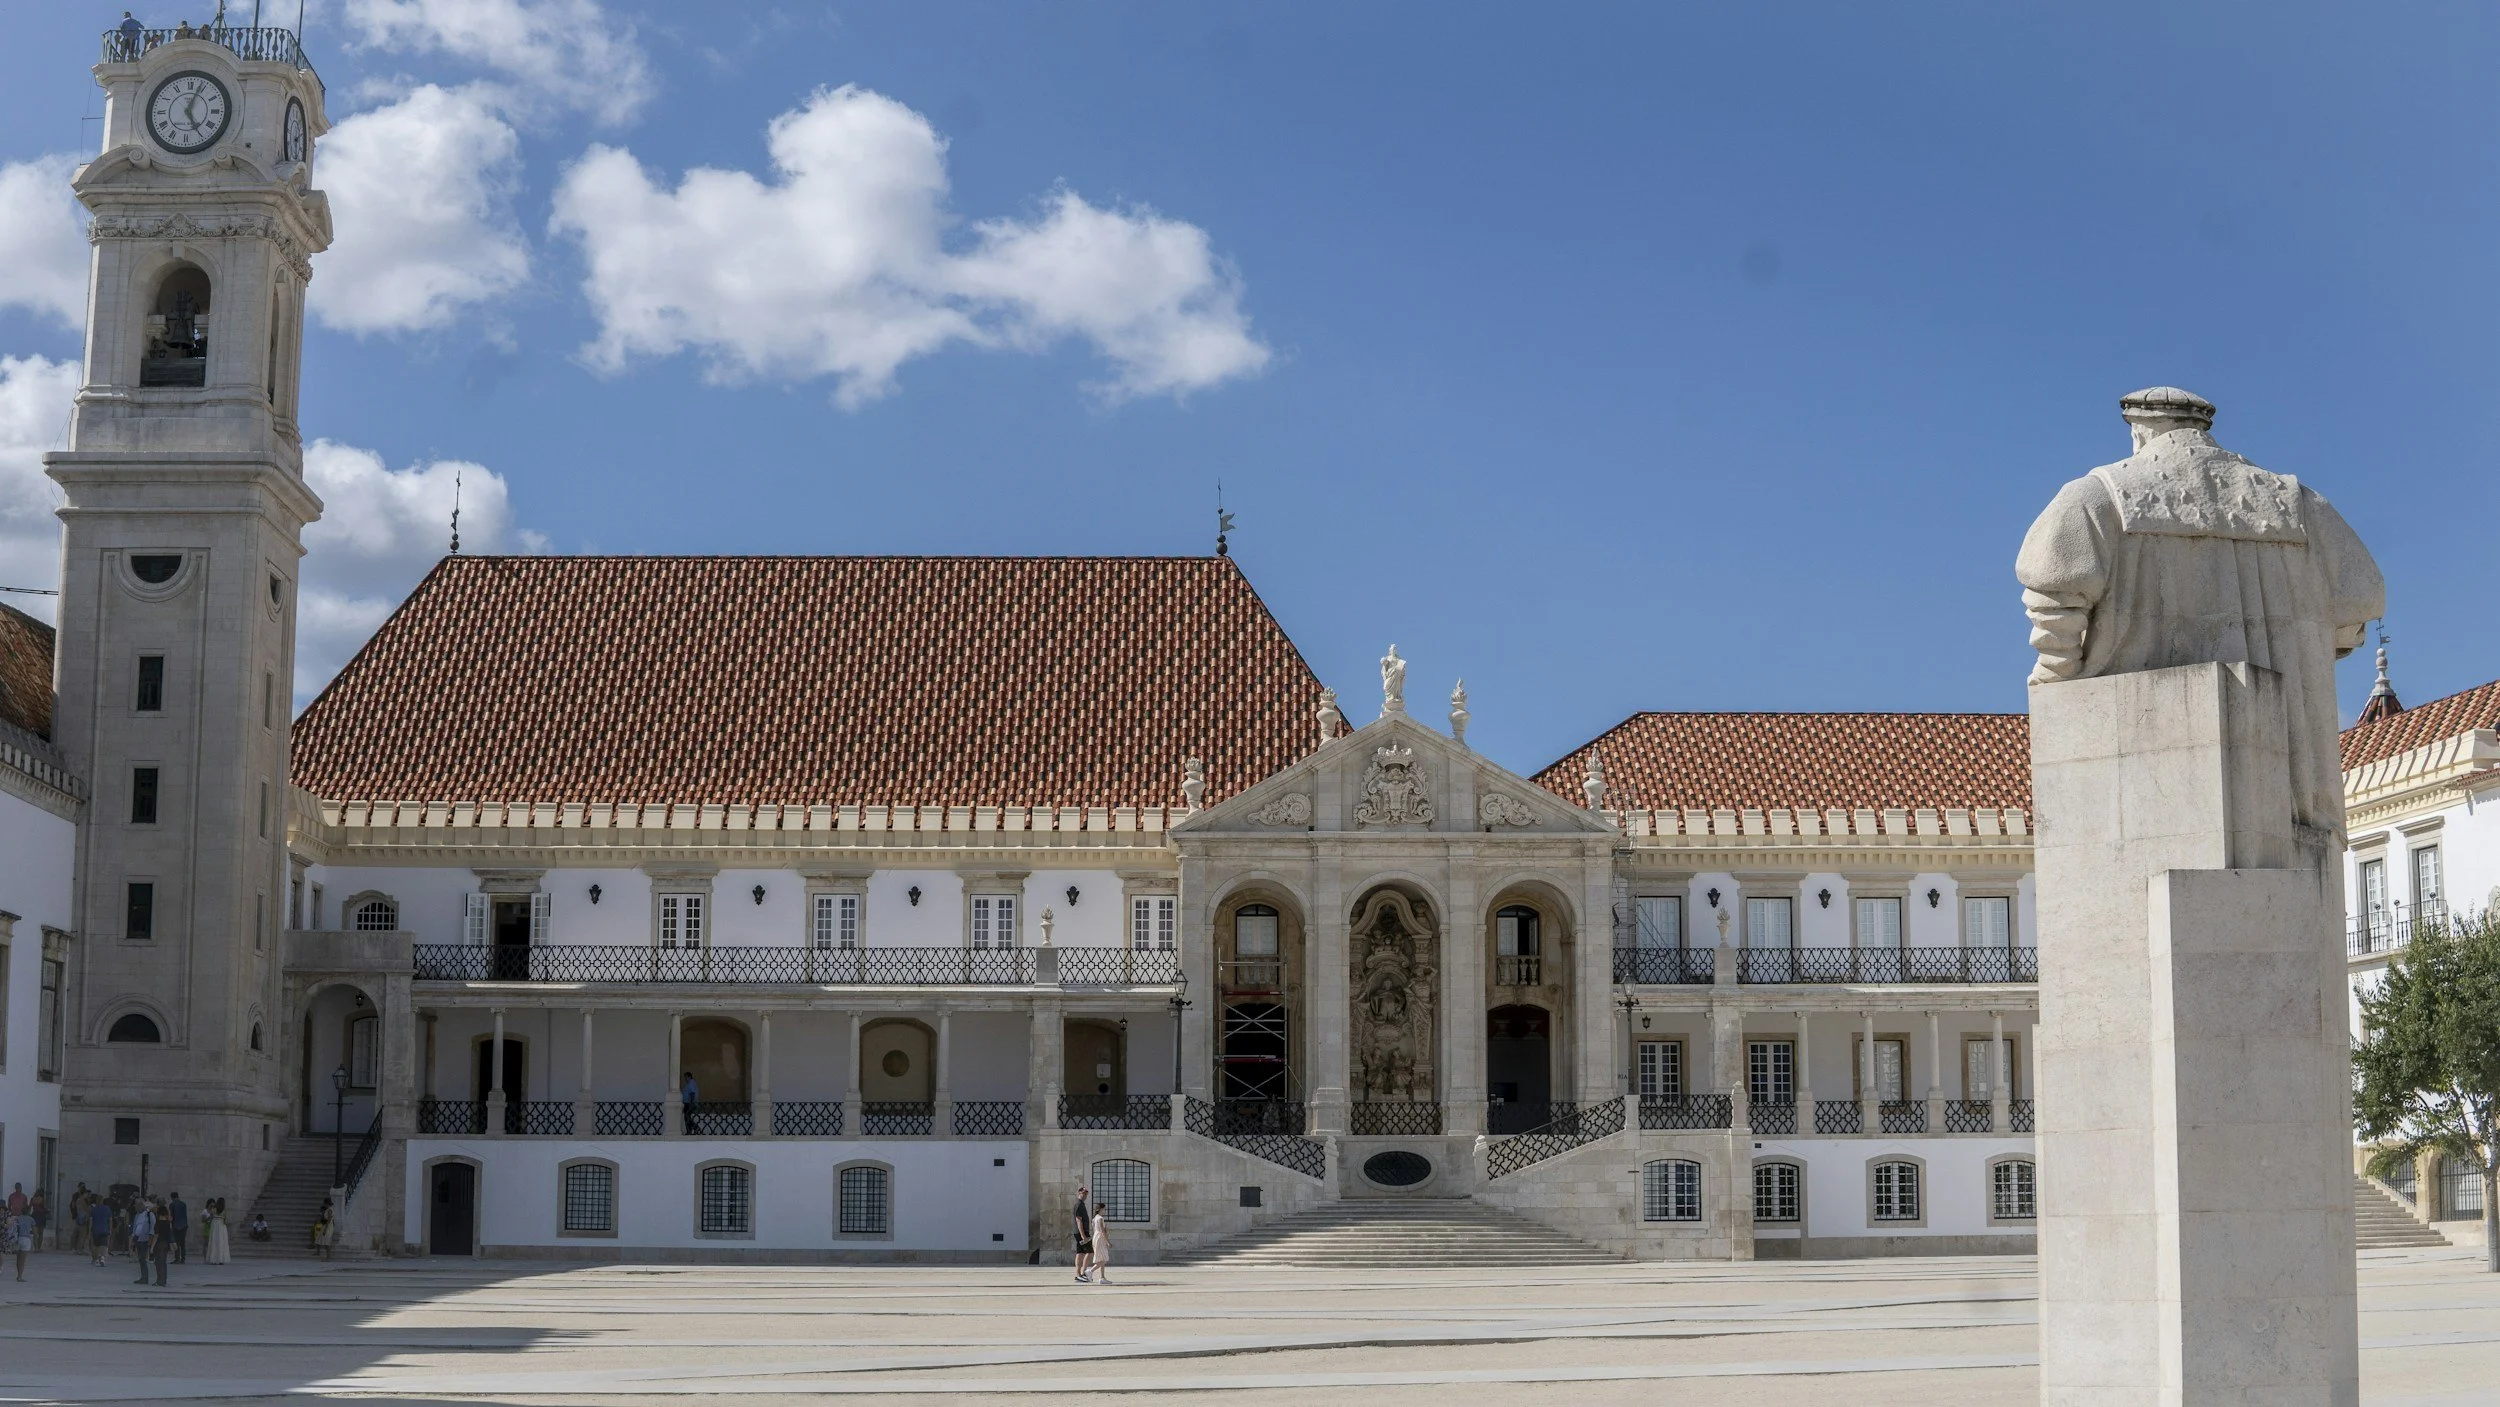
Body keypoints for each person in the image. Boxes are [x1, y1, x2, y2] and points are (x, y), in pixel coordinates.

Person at [129, 1200, 155, 1284]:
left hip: (145, 1239)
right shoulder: (137, 1215)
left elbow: (152, 1227)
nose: (136, 1209)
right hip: (138, 1239)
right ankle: (143, 1276)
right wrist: (133, 1238)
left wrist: (151, 1239)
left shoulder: (149, 1215)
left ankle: (145, 1277)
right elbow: (135, 1227)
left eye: (136, 1207)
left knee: (143, 1259)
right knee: (140, 1259)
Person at [1071, 1184, 1092, 1283]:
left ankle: (1078, 1275)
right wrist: (1083, 1236)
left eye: (1086, 1194)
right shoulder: (1078, 1204)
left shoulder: (1081, 1204)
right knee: (1090, 1251)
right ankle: (1083, 1273)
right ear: (1079, 1193)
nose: (1085, 1195)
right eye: (1083, 1193)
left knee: (1080, 1253)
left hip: (1081, 1232)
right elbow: (1078, 1220)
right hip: (1081, 1233)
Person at [1089, 1202, 1113, 1285]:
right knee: (1104, 1258)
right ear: (1100, 1209)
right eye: (1104, 1209)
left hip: (1096, 1237)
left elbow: (1095, 1230)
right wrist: (1108, 1242)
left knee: (1101, 1258)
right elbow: (1102, 1231)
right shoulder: (1100, 1218)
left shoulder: (1095, 1218)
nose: (1105, 1211)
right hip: (1100, 1238)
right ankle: (1090, 1271)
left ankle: (1102, 1277)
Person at [148, 1201, 170, 1285]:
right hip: (166, 1244)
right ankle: (163, 1280)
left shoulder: (158, 1223)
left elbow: (156, 1236)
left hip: (159, 1244)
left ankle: (160, 1280)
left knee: (158, 1263)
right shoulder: (167, 1223)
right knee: (163, 1262)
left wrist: (152, 1247)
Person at [6, 1208, 30, 1281]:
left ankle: (18, 1274)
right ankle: (20, 1276)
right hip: (26, 1239)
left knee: (18, 1259)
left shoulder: (17, 1218)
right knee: (23, 1260)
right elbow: (35, 1231)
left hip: (17, 1239)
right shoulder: (31, 1219)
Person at [204, 1199, 230, 1265]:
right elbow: (226, 1221)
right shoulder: (224, 1211)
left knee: (214, 1242)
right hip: (221, 1227)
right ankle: (221, 1259)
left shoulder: (213, 1209)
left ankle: (213, 1259)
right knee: (221, 1242)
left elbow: (210, 1216)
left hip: (214, 1226)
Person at [87, 1196, 111, 1266]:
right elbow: (110, 1220)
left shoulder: (93, 1209)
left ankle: (95, 1259)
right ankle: (102, 1257)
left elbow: (91, 1221)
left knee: (95, 1245)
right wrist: (110, 1229)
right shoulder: (107, 1209)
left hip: (95, 1229)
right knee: (103, 1244)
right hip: (104, 1229)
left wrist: (89, 1231)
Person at [168, 1191, 188, 1264]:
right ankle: (183, 1258)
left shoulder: (172, 1205)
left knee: (176, 1242)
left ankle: (177, 1258)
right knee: (182, 1242)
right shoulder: (183, 1204)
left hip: (176, 1225)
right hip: (184, 1225)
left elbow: (171, 1216)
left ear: (172, 1197)